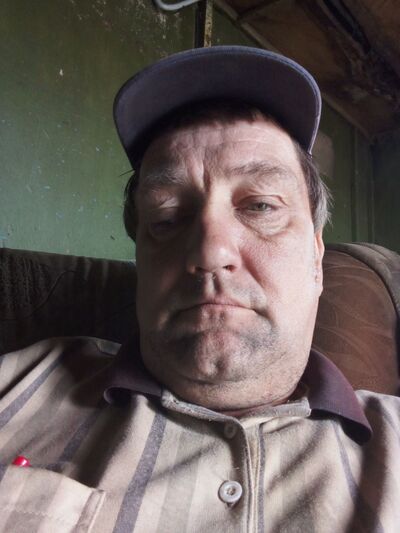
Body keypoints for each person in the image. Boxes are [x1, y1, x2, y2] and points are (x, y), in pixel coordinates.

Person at [0, 46, 399, 532]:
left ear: (316, 259)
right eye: (167, 217)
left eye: (260, 206)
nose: (210, 252)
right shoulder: (15, 386)